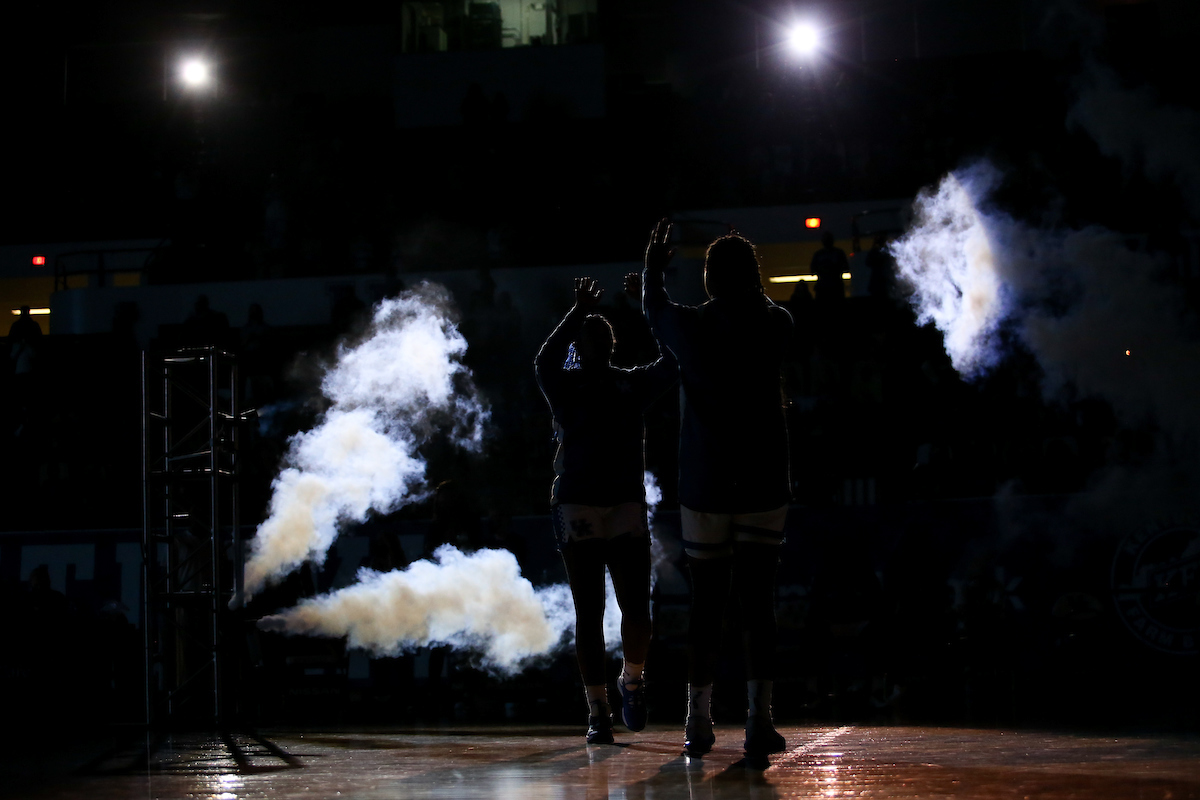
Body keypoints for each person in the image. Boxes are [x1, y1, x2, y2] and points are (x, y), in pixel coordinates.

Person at [642, 219, 793, 759]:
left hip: (704, 483)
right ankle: (758, 721)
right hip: (762, 480)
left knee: (707, 607)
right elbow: (772, 317)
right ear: (754, 275)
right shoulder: (777, 323)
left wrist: (653, 272)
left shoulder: (689, 328)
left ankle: (697, 721)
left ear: (707, 278)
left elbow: (655, 312)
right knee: (758, 606)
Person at [534, 276, 677, 744]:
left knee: (637, 609)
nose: (598, 339)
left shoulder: (628, 384)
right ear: (582, 344)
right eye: (589, 335)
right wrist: (577, 311)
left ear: (614, 344)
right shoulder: (565, 384)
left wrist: (643, 307)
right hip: (577, 500)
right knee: (589, 610)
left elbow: (673, 361)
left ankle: (631, 679)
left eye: (604, 333)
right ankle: (597, 711)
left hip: (623, 502)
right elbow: (543, 360)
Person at [811, 230, 849, 305]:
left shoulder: (819, 254)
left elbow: (813, 269)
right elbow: (846, 267)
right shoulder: (838, 253)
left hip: (829, 287)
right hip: (832, 287)